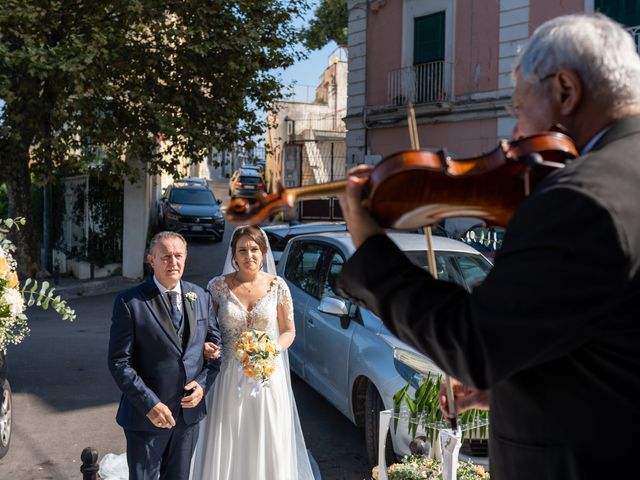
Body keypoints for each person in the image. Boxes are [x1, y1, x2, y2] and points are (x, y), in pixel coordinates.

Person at [336, 13, 640, 480]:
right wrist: (510, 384)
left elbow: (473, 344)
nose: (514, 133)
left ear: (565, 89)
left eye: (519, 107)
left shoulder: (579, 197)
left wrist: (370, 245)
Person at [190, 225, 315, 480]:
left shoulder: (277, 286)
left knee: (265, 435)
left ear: (263, 251)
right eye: (242, 250)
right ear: (234, 255)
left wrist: (270, 350)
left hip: (267, 376)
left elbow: (289, 331)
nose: (249, 255)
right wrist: (207, 345)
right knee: (228, 435)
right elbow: (205, 329)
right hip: (227, 376)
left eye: (254, 249)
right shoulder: (217, 286)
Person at [107, 231, 221, 480]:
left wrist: (202, 386)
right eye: (166, 256)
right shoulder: (130, 302)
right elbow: (119, 362)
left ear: (186, 257)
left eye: (178, 255)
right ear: (151, 260)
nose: (173, 262)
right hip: (147, 417)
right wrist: (150, 404)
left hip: (188, 417)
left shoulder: (200, 296)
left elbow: (215, 350)